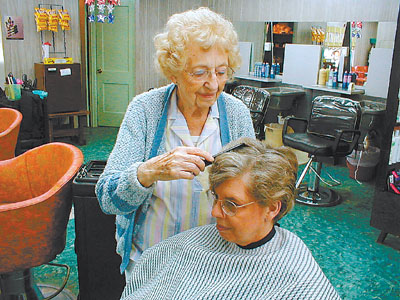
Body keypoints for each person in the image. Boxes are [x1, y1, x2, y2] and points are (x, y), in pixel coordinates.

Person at [95, 7, 255, 278]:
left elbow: (254, 188)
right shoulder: (145, 110)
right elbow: (107, 199)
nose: (213, 84)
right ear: (173, 72)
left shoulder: (236, 113)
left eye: (221, 71)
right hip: (151, 261)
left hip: (217, 261)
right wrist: (148, 172)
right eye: (199, 72)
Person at [120, 137, 341, 300]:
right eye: (216, 198)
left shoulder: (297, 277)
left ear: (272, 208)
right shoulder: (191, 244)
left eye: (231, 205)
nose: (215, 212)